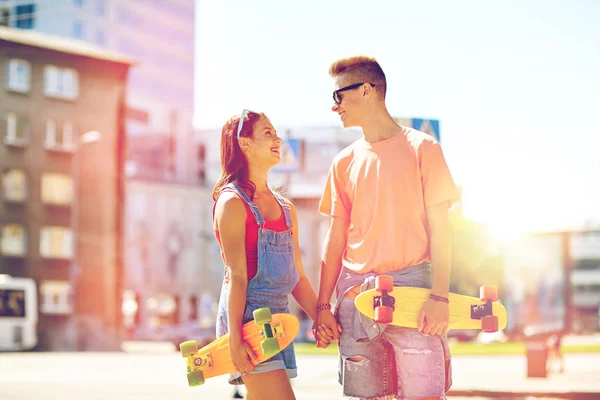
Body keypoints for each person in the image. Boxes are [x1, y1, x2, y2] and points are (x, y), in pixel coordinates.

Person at [313, 56, 460, 399]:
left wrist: (439, 296)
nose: (335, 107)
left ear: (366, 90)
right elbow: (334, 239)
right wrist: (323, 307)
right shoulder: (344, 162)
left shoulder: (424, 149)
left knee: (425, 395)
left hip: (414, 293)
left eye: (339, 96)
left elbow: (442, 230)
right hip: (355, 296)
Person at [212, 110, 333, 400]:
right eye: (268, 133)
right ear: (245, 143)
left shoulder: (286, 208)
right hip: (247, 322)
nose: (277, 138)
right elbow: (236, 277)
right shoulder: (232, 202)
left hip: (279, 321)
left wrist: (320, 315)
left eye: (276, 132)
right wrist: (234, 340)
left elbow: (297, 277)